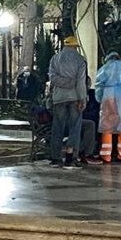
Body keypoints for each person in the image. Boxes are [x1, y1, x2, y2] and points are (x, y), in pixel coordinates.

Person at [47, 35, 89, 169]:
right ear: (76, 46)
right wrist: (82, 98)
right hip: (75, 98)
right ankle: (70, 159)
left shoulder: (55, 59)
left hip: (58, 98)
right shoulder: (80, 60)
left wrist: (64, 83)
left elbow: (52, 78)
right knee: (75, 127)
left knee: (57, 126)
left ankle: (55, 158)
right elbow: (81, 82)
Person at [89, 52, 121, 164]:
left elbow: (99, 84)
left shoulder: (105, 68)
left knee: (107, 124)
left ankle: (106, 155)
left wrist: (99, 98)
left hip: (108, 94)